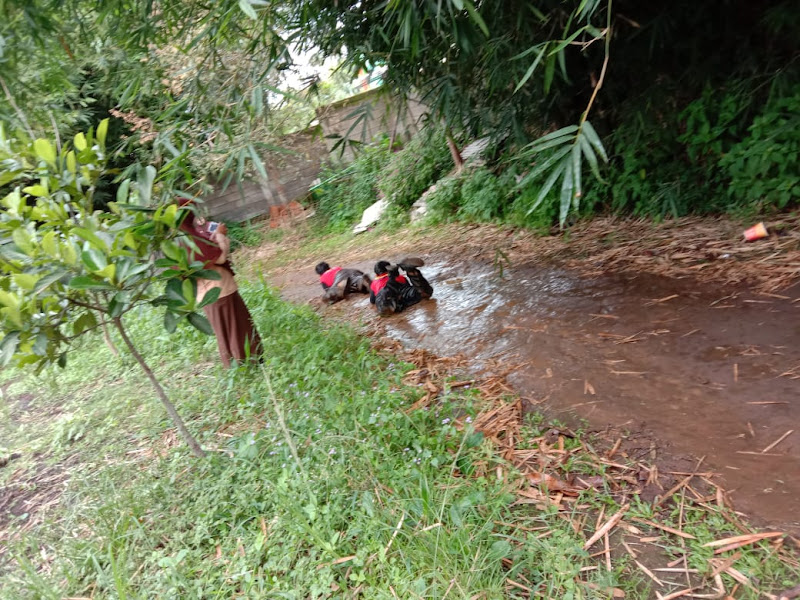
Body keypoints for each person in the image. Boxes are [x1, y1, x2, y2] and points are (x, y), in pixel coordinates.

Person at [179, 205, 262, 368]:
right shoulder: (190, 238)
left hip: (206, 294)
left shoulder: (178, 241)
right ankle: (244, 365)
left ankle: (237, 366)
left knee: (225, 331)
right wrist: (220, 235)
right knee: (236, 328)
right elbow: (220, 257)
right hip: (220, 290)